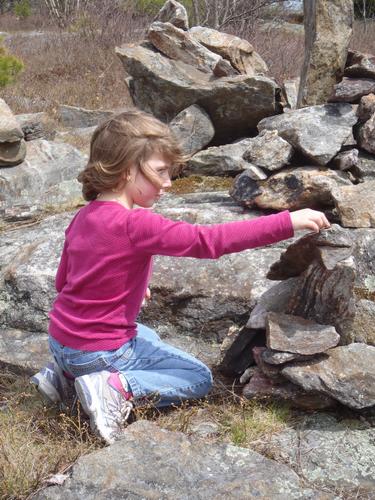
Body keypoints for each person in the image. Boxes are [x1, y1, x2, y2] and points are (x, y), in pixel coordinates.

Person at [31, 109, 330, 444]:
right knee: (196, 376)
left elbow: (64, 283)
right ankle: (114, 388)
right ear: (128, 169)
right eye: (161, 171)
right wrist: (287, 222)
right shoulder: (137, 223)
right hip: (101, 351)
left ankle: (63, 376)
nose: (169, 183)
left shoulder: (83, 217)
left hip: (62, 342)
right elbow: (209, 241)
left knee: (147, 334)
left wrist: (128, 289)